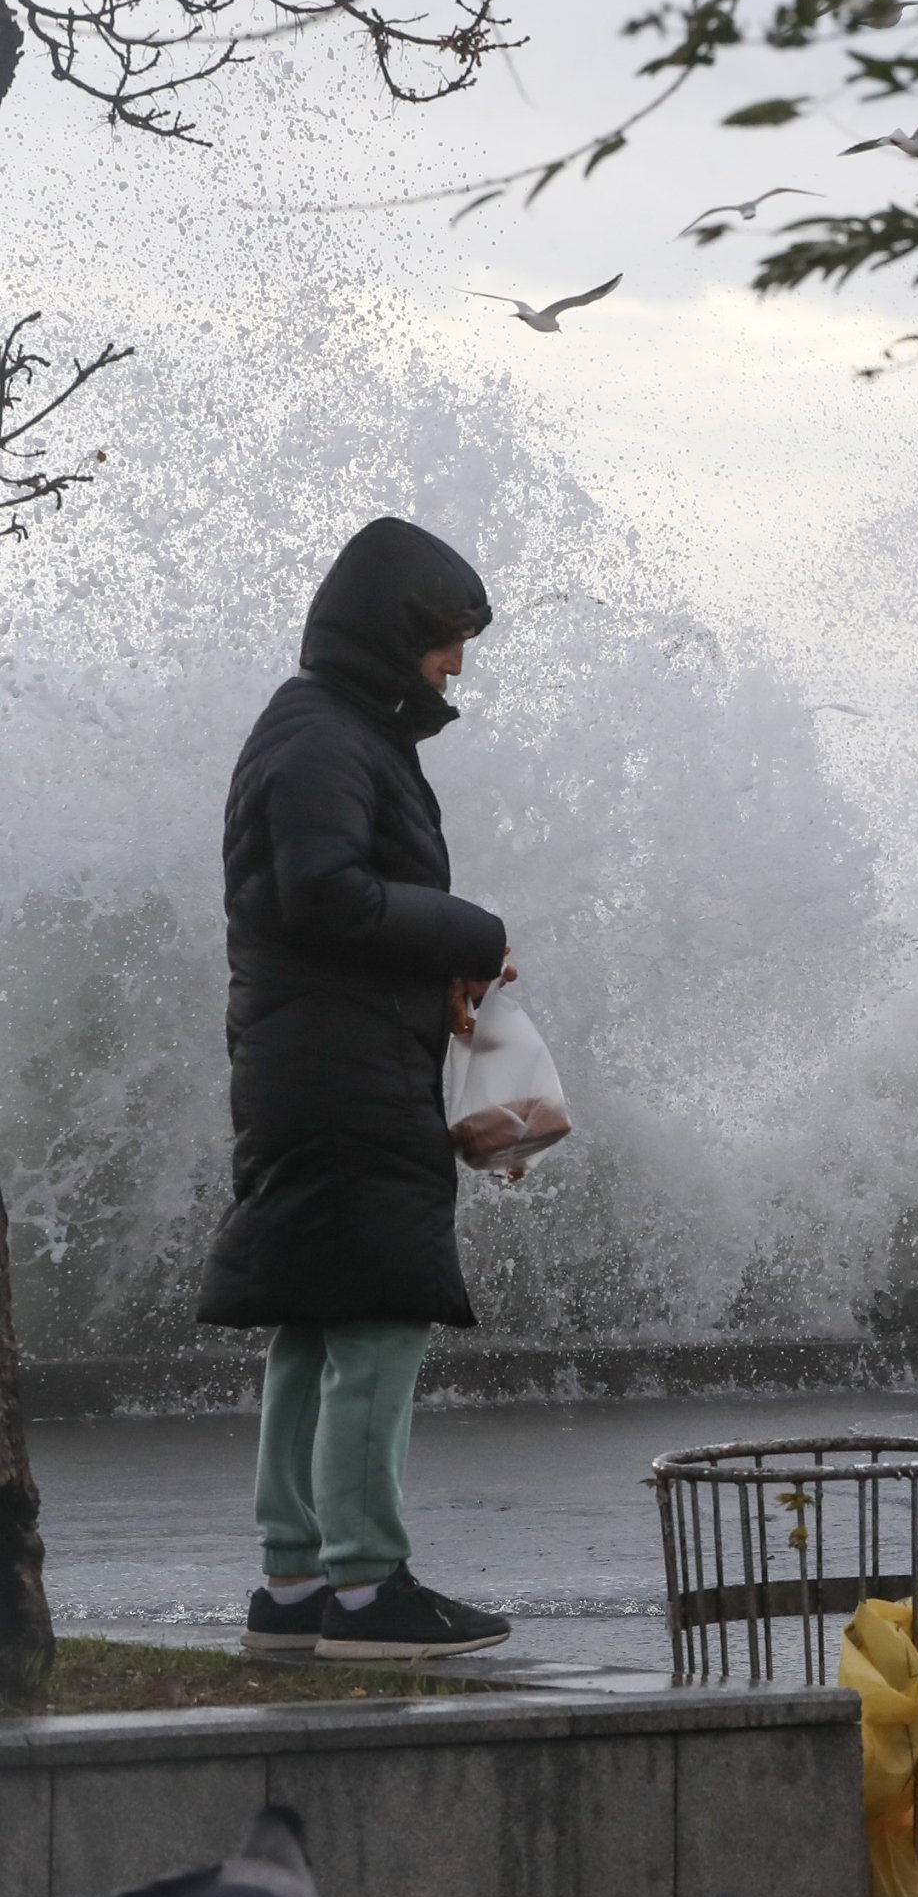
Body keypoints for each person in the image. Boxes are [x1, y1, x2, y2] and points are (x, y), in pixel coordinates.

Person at [203, 517, 518, 1661]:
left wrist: (439, 969)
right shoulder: (325, 737)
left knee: (316, 1317)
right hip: (343, 1077)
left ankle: (292, 1585)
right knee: (379, 1318)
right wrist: (473, 930)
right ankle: (366, 1587)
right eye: (444, 640)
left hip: (312, 1064)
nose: (457, 666)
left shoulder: (324, 731)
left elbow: (319, 909)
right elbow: (326, 892)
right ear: (392, 633)